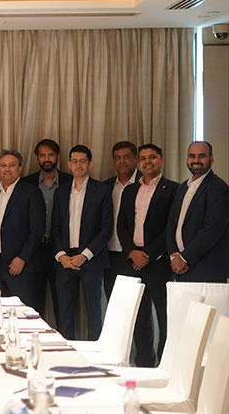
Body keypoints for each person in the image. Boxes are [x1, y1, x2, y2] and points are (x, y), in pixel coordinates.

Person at [117, 144, 178, 367]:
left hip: (159, 264)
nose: (147, 161)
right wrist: (132, 252)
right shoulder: (129, 190)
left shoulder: (173, 189)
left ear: (162, 160)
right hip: (133, 263)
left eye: (152, 157)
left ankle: (165, 365)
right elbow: (122, 226)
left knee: (165, 317)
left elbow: (171, 227)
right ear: (138, 162)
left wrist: (149, 254)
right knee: (139, 318)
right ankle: (144, 364)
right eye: (143, 158)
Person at [52, 145, 113, 341]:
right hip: (65, 261)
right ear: (69, 164)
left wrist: (85, 255)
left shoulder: (102, 190)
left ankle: (94, 353)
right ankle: (66, 351)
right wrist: (61, 256)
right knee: (65, 314)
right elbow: (55, 227)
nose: (78, 165)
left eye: (83, 161)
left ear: (90, 164)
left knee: (94, 313)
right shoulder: (61, 192)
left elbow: (106, 228)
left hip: (91, 260)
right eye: (74, 161)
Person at [0, 150, 45, 313]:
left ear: (20, 168)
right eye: (3, 165)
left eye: (12, 165)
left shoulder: (31, 192)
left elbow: (37, 230)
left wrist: (22, 258)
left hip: (20, 265)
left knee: (22, 313)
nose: (7, 169)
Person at [166, 141, 229, 283]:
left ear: (211, 158)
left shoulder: (218, 188)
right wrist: (174, 256)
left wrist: (184, 258)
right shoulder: (183, 187)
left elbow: (212, 230)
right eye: (192, 156)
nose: (196, 160)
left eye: (201, 156)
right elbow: (172, 223)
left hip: (209, 270)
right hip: (181, 269)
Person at [23, 139, 72, 327]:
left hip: (63, 250)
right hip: (34, 251)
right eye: (42, 155)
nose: (47, 159)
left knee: (64, 305)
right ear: (37, 158)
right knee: (34, 302)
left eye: (51, 155)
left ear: (58, 156)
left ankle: (64, 341)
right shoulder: (27, 183)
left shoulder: (70, 181)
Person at [103, 141, 139, 299]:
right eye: (118, 158)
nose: (122, 161)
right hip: (110, 256)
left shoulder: (144, 184)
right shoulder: (106, 186)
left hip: (134, 255)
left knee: (138, 305)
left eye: (126, 157)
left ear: (135, 159)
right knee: (113, 302)